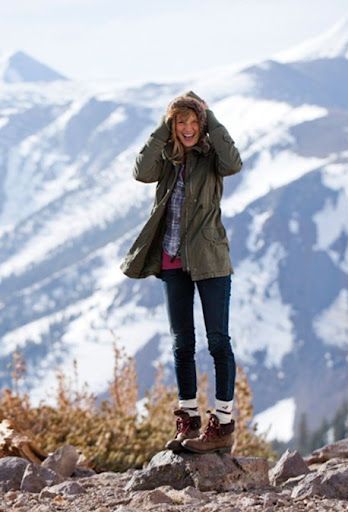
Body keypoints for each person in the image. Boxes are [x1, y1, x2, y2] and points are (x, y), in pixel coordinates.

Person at [120, 91, 242, 454]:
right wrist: (163, 124)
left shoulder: (212, 158)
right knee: (181, 344)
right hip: (173, 262)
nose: (187, 129)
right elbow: (140, 171)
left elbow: (234, 162)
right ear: (172, 125)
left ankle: (222, 423)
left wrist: (211, 116)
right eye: (180, 122)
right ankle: (188, 420)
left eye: (193, 122)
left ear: (201, 124)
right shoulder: (167, 159)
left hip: (209, 261)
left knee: (218, 341)